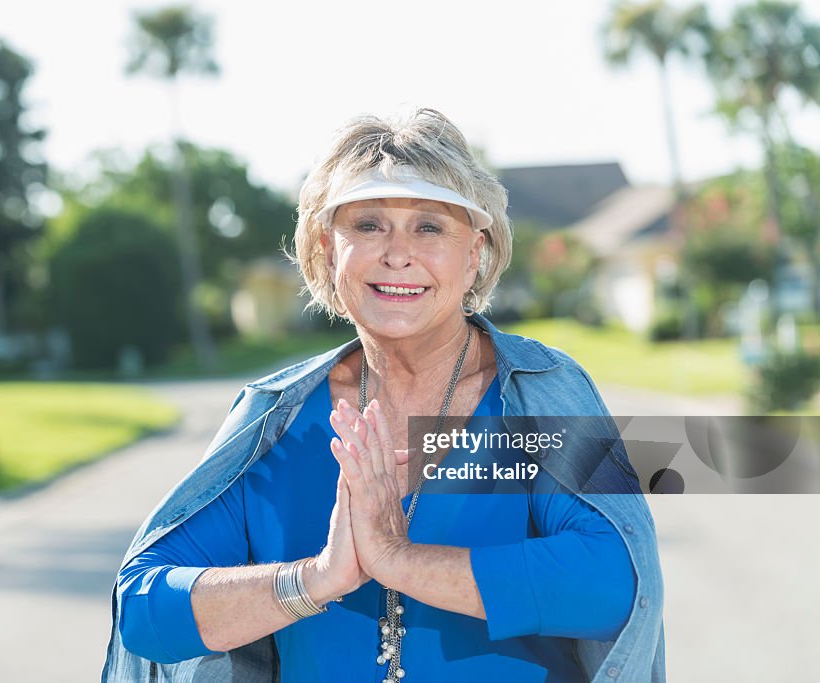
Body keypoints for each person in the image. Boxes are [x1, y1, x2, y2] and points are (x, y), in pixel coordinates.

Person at [101, 108, 665, 683]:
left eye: (430, 226)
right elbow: (145, 610)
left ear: (475, 254)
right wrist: (316, 579)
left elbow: (615, 583)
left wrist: (399, 560)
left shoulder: (539, 395)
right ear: (326, 250)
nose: (397, 253)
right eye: (368, 225)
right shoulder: (276, 418)